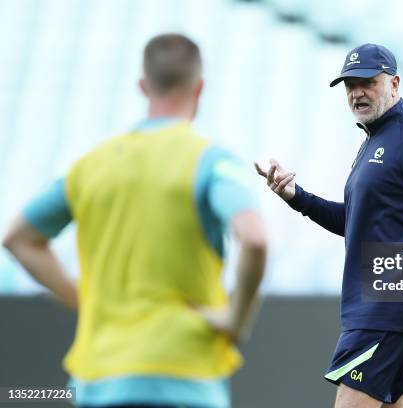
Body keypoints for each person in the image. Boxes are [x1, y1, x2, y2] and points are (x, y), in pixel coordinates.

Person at [2, 33, 267, 408]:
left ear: (143, 86)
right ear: (200, 87)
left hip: (98, 379)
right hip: (185, 375)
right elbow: (254, 238)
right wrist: (235, 321)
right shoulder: (210, 160)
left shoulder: (90, 165)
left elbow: (18, 238)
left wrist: (82, 298)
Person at [255, 43, 403, 408]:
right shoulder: (374, 141)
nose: (357, 93)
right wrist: (297, 196)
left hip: (384, 314)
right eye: (349, 85)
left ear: (394, 83)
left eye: (368, 82)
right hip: (388, 316)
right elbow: (358, 223)